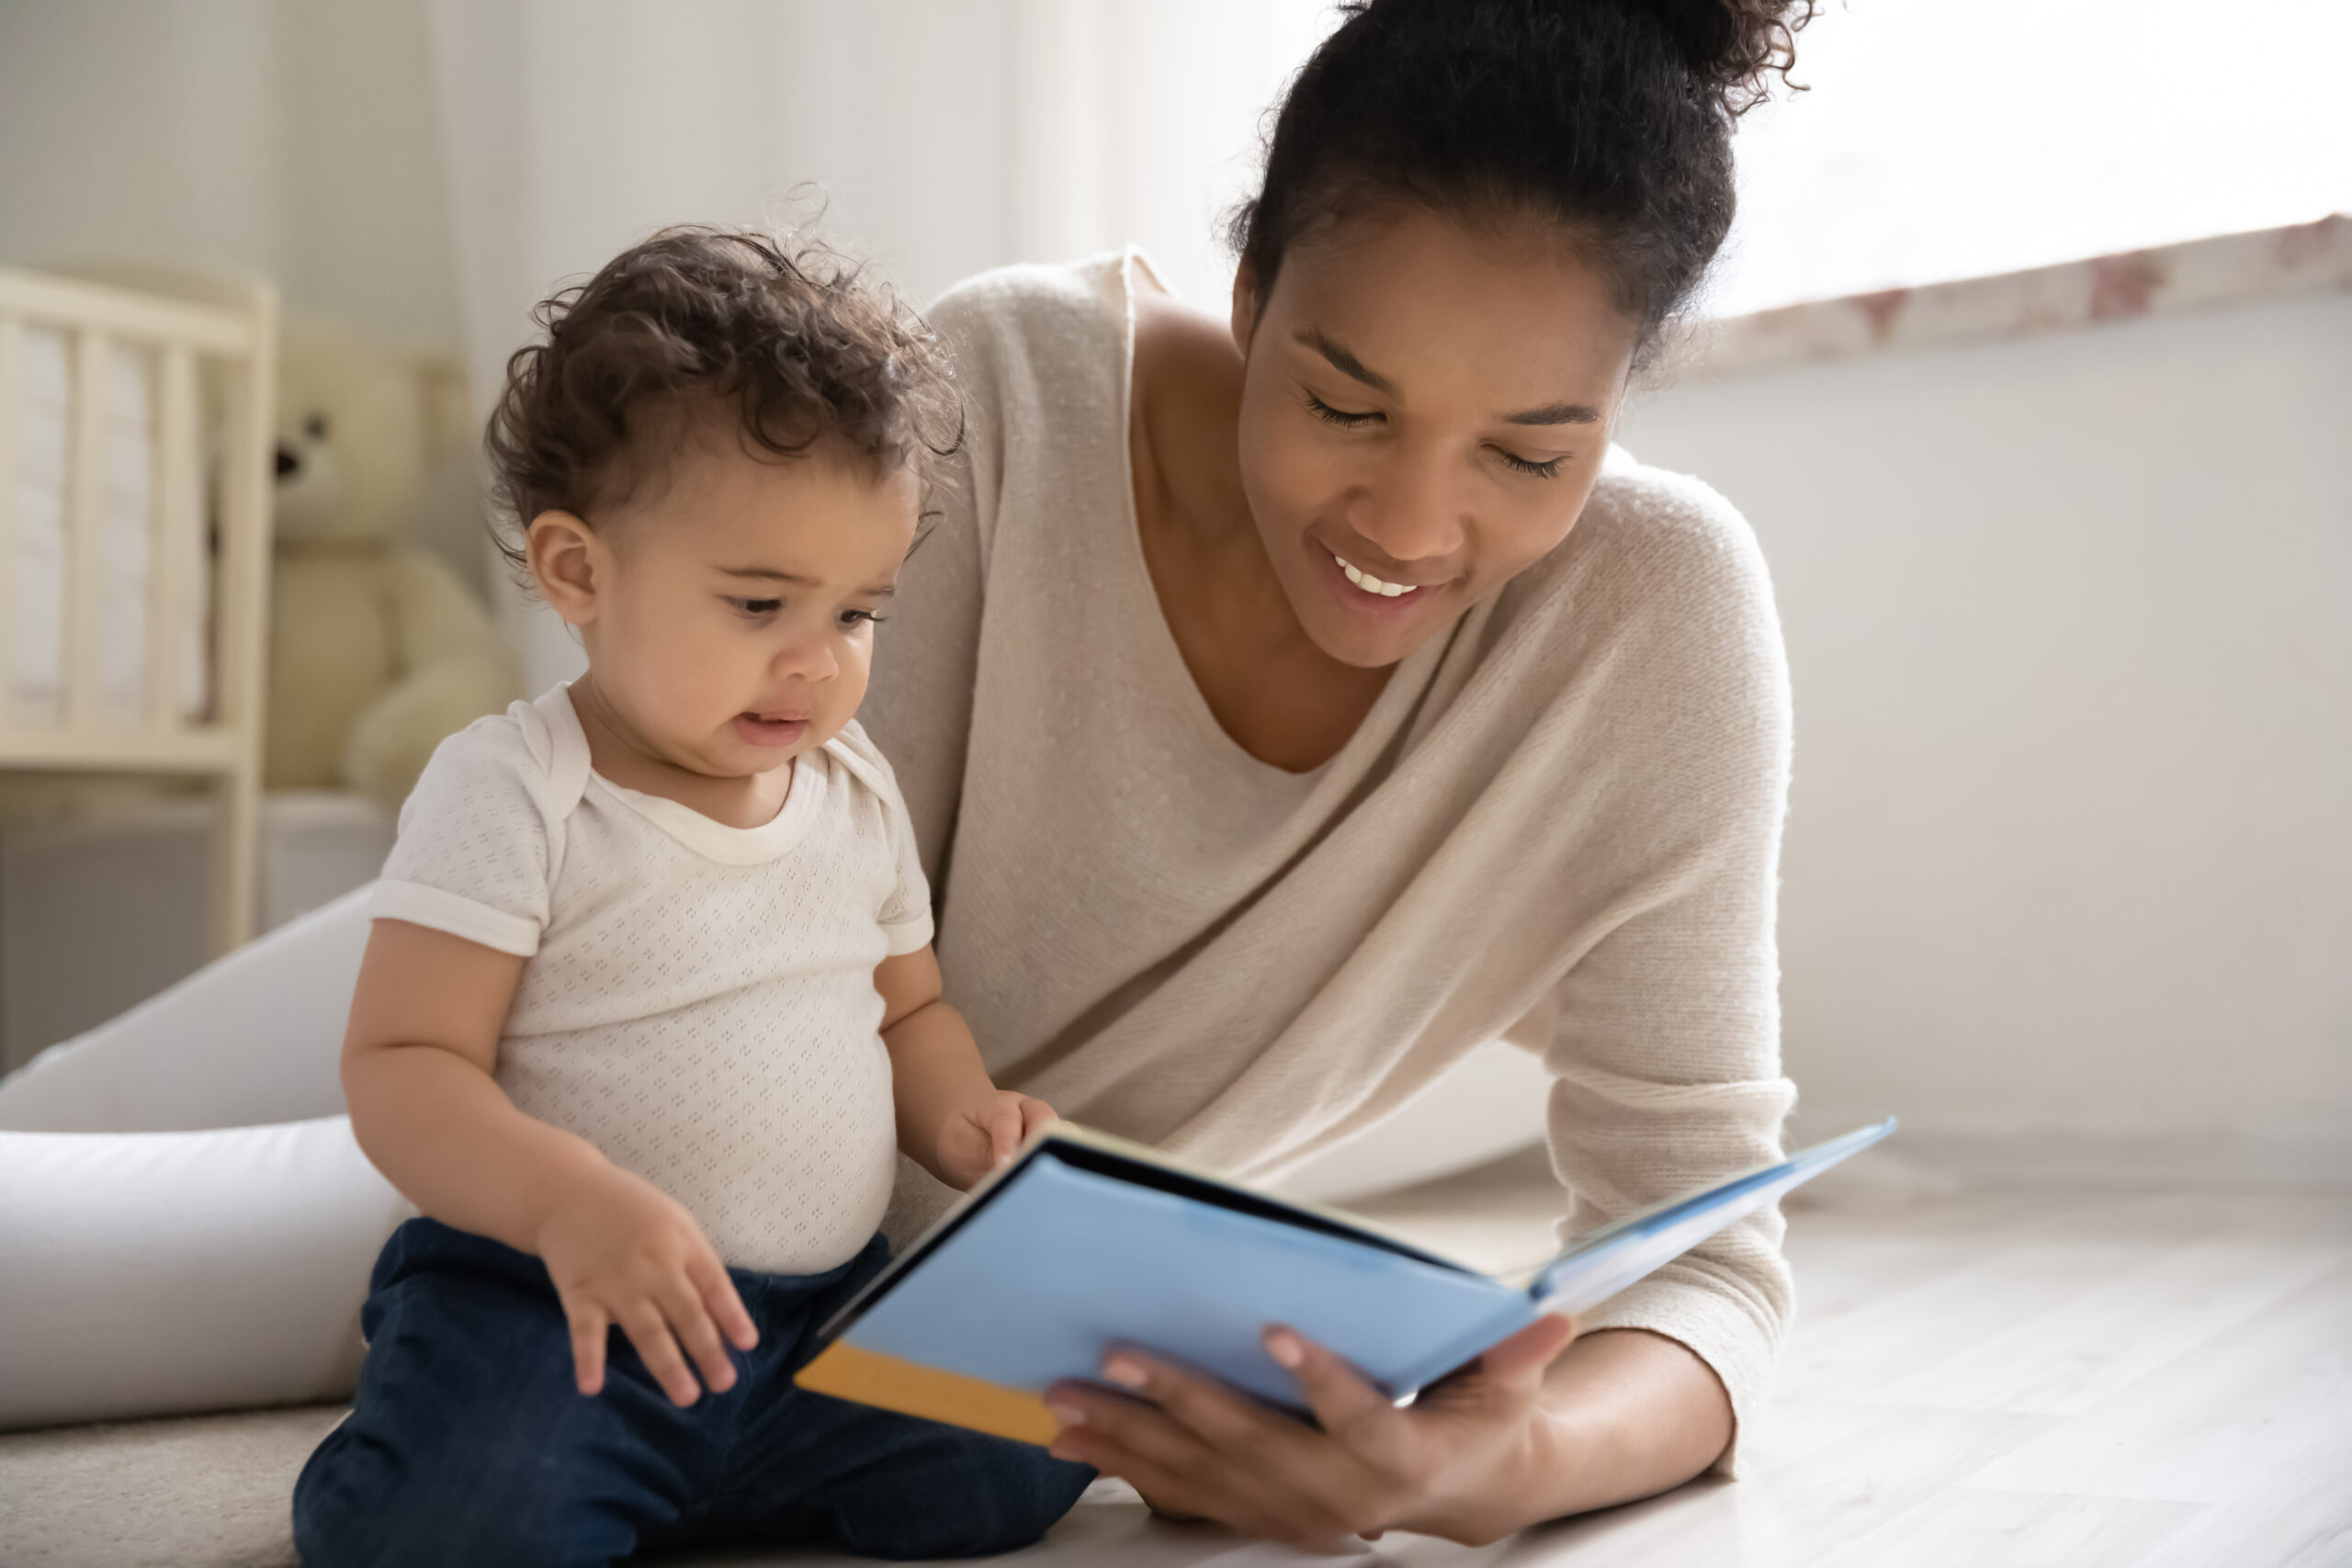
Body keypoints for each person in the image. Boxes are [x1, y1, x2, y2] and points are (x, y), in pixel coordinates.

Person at [853, 0, 1815, 1547]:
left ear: (1619, 403)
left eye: (1529, 454)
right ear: (1249, 294)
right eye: (1345, 406)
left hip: (959, 1377)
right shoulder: (1000, 397)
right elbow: (728, 930)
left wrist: (1492, 1467)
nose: (1410, 528)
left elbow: (1702, 1256)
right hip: (603, 1101)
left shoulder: (1657, 620)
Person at [289, 228, 1092, 1566]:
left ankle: (696, 1482)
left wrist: (966, 1119)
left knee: (1034, 1437)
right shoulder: (518, 789)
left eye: (856, 613)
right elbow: (404, 1064)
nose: (818, 663)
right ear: (578, 572)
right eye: (762, 603)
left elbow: (907, 1012)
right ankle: (431, 1457)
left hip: (814, 1323)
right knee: (463, 1521)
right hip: (557, 1303)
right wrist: (567, 1204)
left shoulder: (853, 789)